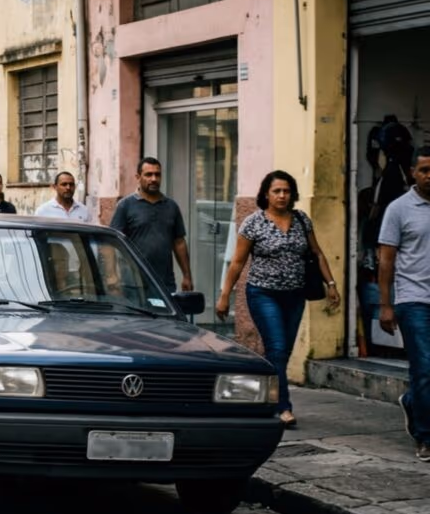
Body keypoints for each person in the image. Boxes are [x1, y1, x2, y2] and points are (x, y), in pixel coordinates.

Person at [216, 171, 339, 428]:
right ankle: (283, 407)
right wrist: (225, 295)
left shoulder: (301, 220)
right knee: (278, 348)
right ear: (266, 194)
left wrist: (331, 284)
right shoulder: (253, 223)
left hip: (295, 295)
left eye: (286, 191)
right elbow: (238, 262)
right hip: (263, 293)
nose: (282, 196)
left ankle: (263, 392)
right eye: (277, 191)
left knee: (281, 351)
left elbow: (317, 253)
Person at [379, 148, 430, 462]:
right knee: (424, 368)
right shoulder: (398, 209)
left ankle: (412, 401)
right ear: (413, 172)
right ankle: (425, 436)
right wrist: (386, 305)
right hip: (413, 300)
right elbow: (386, 260)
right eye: (424, 170)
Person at [110, 157, 192, 293]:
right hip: (133, 284)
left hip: (164, 284)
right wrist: (112, 278)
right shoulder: (125, 206)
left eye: (157, 174)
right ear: (138, 177)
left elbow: (179, 243)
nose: (154, 179)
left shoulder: (171, 206)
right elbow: (111, 243)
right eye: (148, 175)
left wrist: (187, 276)